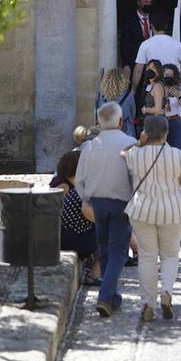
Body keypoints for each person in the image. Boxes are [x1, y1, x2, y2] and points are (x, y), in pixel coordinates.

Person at [123, 115, 181, 322]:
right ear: (166, 133)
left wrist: (139, 142)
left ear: (145, 132)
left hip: (142, 210)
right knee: (170, 255)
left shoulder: (136, 154)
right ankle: (167, 292)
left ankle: (148, 302)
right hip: (172, 210)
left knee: (147, 256)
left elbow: (122, 153)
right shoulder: (177, 156)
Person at [74, 101, 137, 318]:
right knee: (118, 251)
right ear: (121, 122)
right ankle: (105, 295)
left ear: (98, 123)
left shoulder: (89, 147)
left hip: (97, 203)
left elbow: (79, 181)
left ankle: (113, 298)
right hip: (122, 203)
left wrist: (88, 200)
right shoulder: (131, 144)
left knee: (106, 250)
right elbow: (137, 178)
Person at [50, 150, 100, 285]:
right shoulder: (69, 186)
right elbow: (86, 212)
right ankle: (94, 274)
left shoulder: (75, 186)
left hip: (65, 234)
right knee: (112, 233)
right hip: (72, 239)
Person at [131, 13, 181, 95]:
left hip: (153, 90)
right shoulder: (177, 44)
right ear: (166, 26)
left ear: (151, 26)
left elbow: (138, 70)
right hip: (173, 90)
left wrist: (133, 90)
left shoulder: (145, 45)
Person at [97, 68, 137, 137]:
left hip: (106, 134)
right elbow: (133, 114)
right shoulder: (128, 96)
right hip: (127, 134)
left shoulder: (101, 96)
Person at [120, 0, 155, 70]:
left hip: (152, 61)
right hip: (135, 61)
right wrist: (126, 64)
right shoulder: (129, 20)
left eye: (150, 2)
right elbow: (125, 42)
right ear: (138, 3)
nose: (148, 4)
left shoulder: (154, 19)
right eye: (145, 2)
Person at [136, 59, 165, 139]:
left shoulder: (157, 86)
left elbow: (158, 108)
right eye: (148, 67)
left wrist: (146, 110)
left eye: (153, 68)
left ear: (158, 71)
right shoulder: (150, 86)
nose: (149, 70)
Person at [160, 64, 181, 150]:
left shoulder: (178, 90)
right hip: (162, 122)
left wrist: (177, 96)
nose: (169, 78)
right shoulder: (157, 89)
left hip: (175, 122)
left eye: (171, 76)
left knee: (177, 150)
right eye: (167, 75)